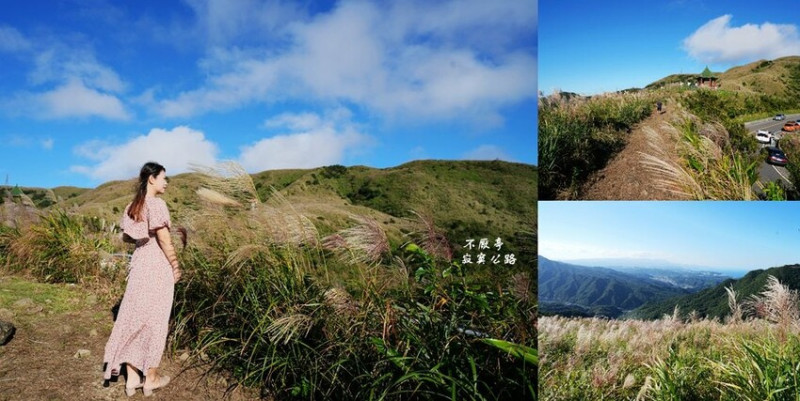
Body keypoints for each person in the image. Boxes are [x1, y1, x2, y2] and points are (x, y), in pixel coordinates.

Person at [102, 162, 181, 397]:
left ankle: (132, 378)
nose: (166, 183)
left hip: (139, 265)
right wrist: (175, 265)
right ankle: (151, 379)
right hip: (157, 266)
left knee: (133, 316)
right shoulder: (157, 204)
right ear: (152, 179)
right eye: (163, 178)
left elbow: (127, 237)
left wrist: (141, 236)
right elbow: (165, 239)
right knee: (156, 319)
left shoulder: (132, 206)